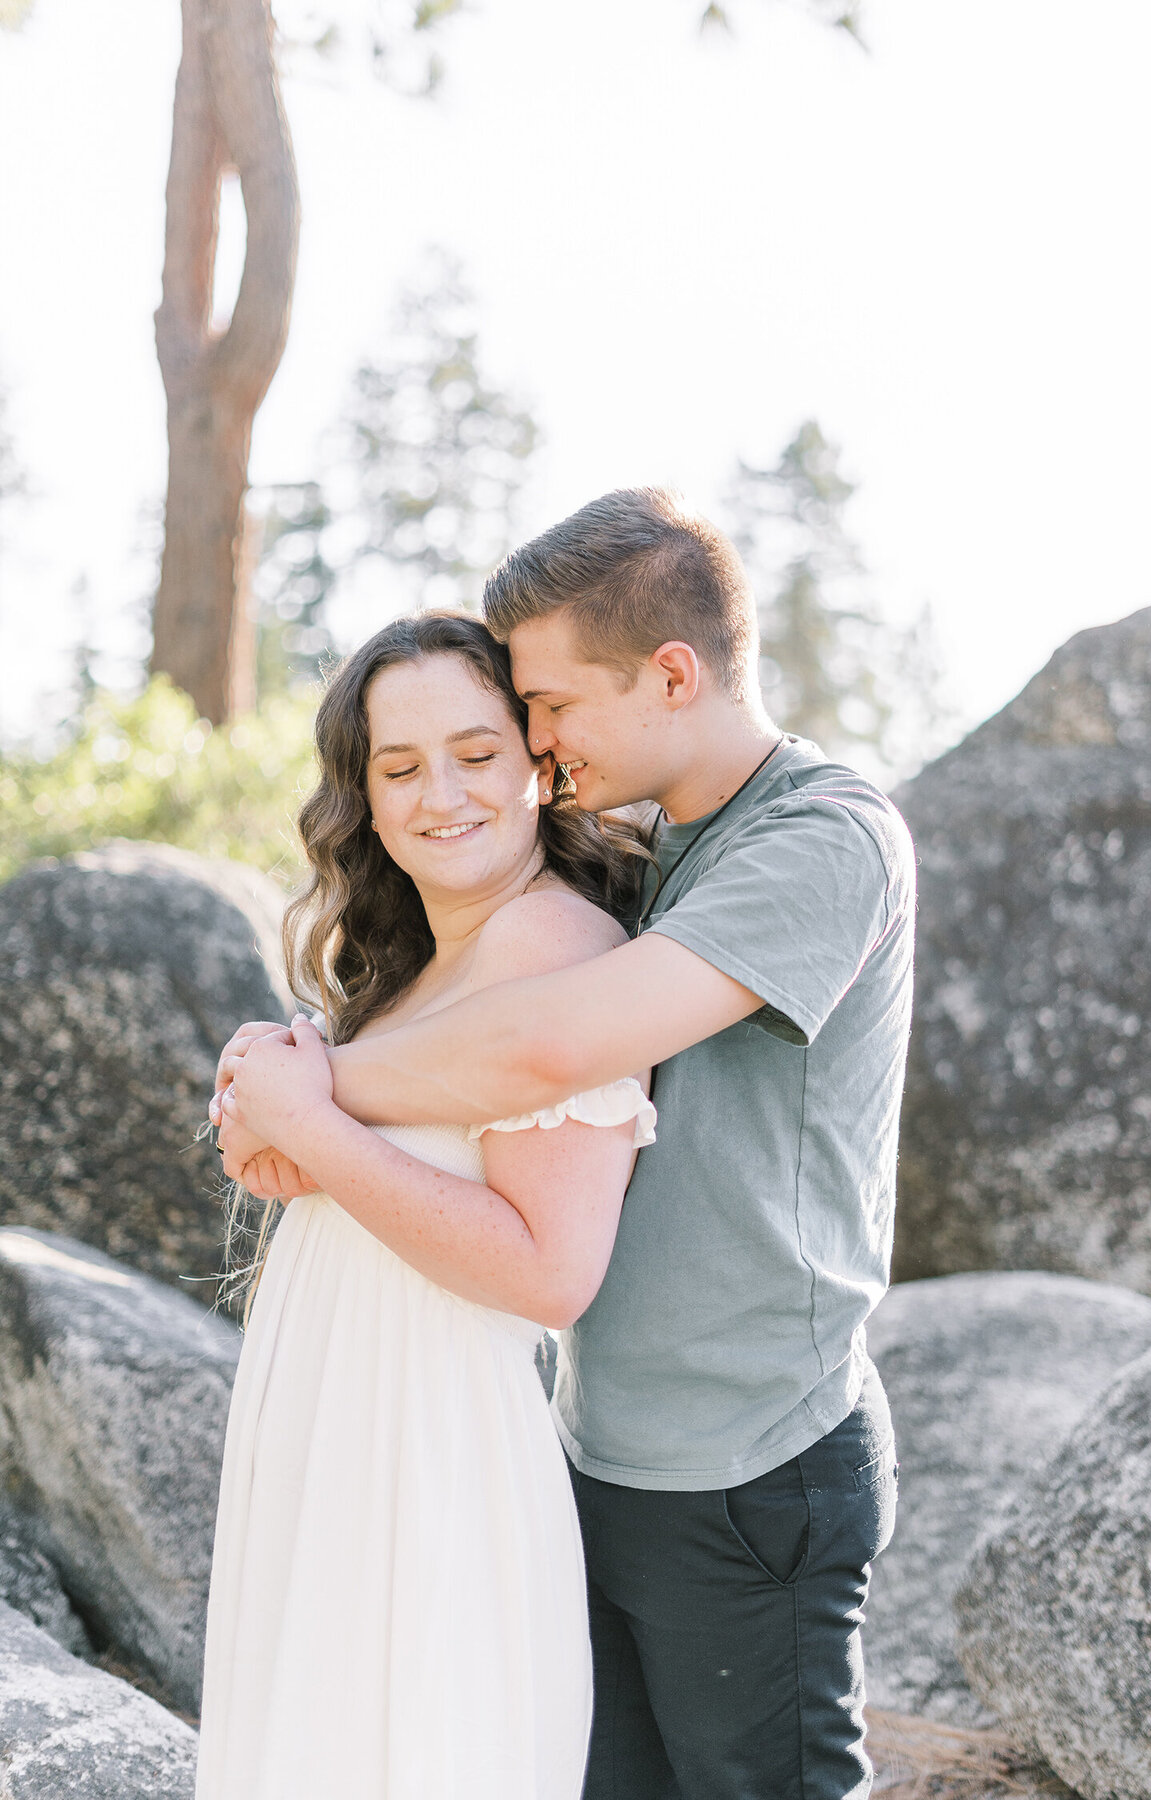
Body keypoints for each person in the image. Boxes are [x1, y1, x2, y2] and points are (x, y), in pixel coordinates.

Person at [217, 487, 916, 1800]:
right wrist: (290, 1099)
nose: (537, 745)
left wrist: (308, 1100)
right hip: (616, 1447)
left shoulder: (828, 838)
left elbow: (551, 1049)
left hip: (748, 1457)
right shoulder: (673, 851)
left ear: (670, 673)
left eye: (542, 711)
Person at [196, 612, 657, 1800]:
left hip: (433, 1464)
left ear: (537, 765)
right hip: (338, 1445)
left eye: (475, 753)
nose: (439, 795)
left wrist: (306, 1124)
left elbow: (552, 1270)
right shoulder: (415, 970)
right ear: (363, 795)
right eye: (398, 769)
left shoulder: (554, 942)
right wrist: (287, 1126)